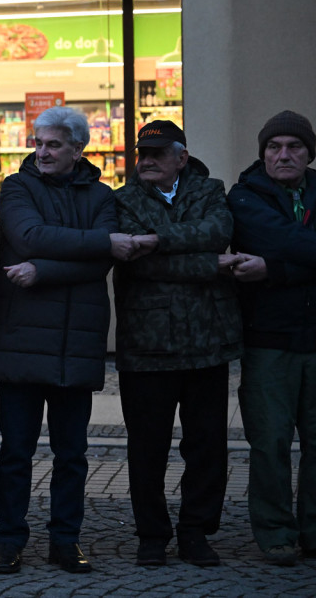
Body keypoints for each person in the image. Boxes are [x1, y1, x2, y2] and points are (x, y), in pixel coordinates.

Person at [0, 106, 132, 574]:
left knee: (72, 455)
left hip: (77, 343)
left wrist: (45, 269)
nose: (42, 152)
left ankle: (65, 541)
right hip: (22, 343)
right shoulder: (17, 186)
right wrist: (100, 242)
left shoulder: (102, 195)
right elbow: (27, 237)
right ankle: (9, 540)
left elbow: (100, 263)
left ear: (77, 149)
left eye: (52, 145)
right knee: (15, 453)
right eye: (38, 143)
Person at [113, 120, 242, 567]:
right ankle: (152, 535)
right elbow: (139, 267)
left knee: (207, 446)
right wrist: (211, 266)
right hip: (146, 346)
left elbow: (217, 232)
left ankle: (195, 531)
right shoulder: (123, 200)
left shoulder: (210, 191)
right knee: (146, 448)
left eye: (158, 153)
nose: (146, 161)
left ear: (181, 158)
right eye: (142, 153)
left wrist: (159, 240)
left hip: (207, 340)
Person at [227, 110, 316, 567]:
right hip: (268, 341)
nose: (284, 155)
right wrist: (290, 259)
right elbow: (282, 239)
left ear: (308, 153)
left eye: (294, 146)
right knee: (270, 442)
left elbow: (282, 250)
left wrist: (274, 269)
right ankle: (276, 532)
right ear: (262, 153)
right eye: (274, 147)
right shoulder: (244, 198)